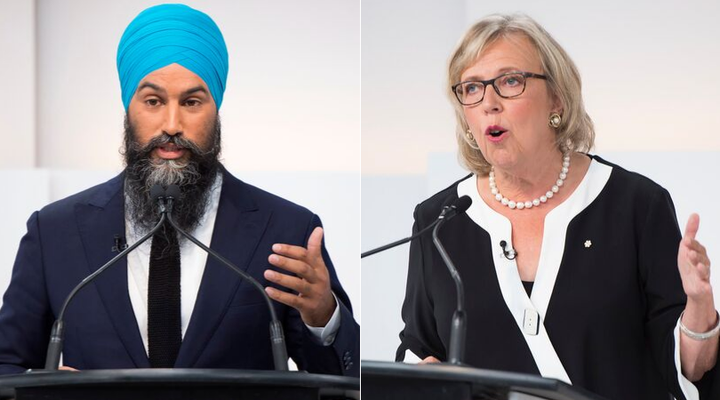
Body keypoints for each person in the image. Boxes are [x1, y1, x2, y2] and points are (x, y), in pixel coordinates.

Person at [0, 4, 358, 377]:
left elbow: (340, 383)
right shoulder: (55, 232)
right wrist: (39, 389)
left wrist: (323, 317)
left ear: (215, 108)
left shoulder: (286, 230)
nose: (172, 124)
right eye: (153, 101)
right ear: (128, 105)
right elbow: (6, 364)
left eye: (191, 102)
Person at [396, 14, 718, 399]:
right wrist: (420, 376)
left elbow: (689, 368)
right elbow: (419, 348)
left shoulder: (637, 206)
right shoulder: (439, 221)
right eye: (471, 88)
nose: (489, 104)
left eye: (510, 81)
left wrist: (700, 307)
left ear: (557, 99)